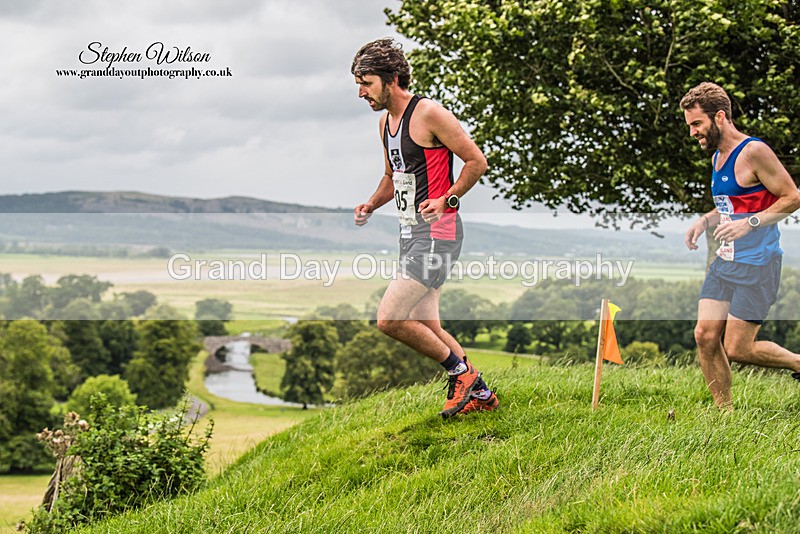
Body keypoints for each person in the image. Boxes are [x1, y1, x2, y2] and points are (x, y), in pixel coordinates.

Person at [351, 38, 498, 417]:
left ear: (392, 78)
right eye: (358, 84)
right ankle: (480, 396)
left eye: (366, 82)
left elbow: (476, 161)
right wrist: (371, 203)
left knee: (390, 319)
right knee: (424, 322)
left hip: (440, 232)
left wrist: (448, 198)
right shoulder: (384, 123)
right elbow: (391, 175)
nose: (360, 92)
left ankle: (460, 373)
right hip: (409, 233)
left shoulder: (430, 113)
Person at [681, 82, 800, 409]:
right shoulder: (717, 157)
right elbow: (730, 207)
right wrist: (704, 221)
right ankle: (725, 416)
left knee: (738, 348)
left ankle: (798, 363)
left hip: (759, 264)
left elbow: (792, 198)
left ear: (719, 117)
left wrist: (750, 223)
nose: (693, 132)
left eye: (697, 124)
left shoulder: (754, 152)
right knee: (704, 336)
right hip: (726, 262)